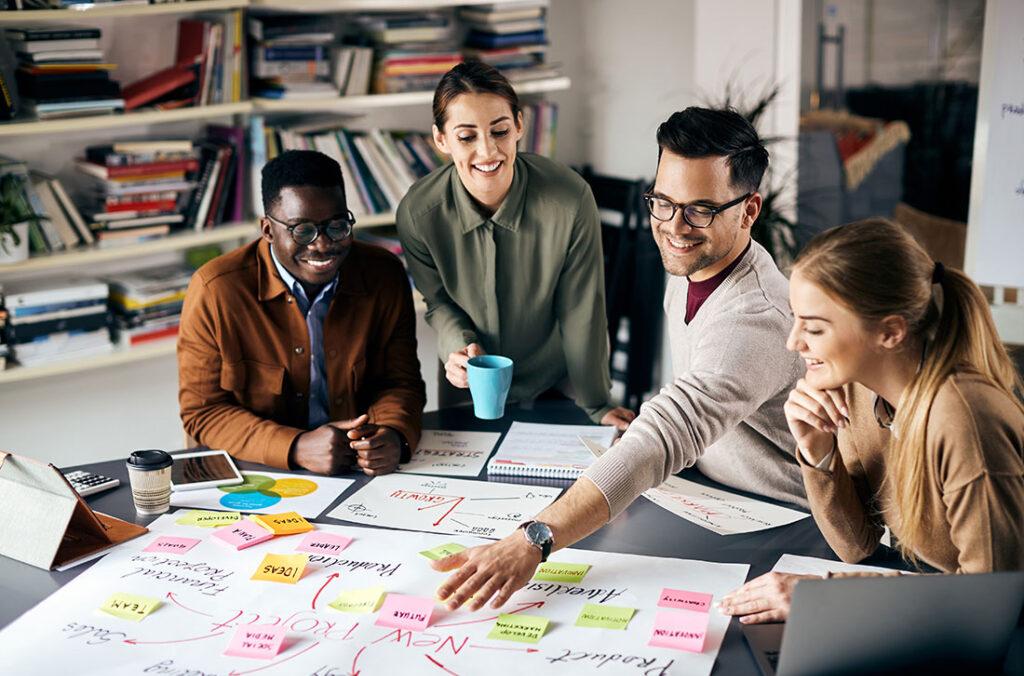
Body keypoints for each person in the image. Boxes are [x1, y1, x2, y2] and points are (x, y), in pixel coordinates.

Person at [430, 107, 807, 612]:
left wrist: (533, 539)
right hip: (710, 500)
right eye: (663, 202)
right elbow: (694, 401)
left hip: (782, 529)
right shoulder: (697, 264)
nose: (674, 227)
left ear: (749, 210)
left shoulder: (755, 317)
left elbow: (670, 432)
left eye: (700, 209)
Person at [717, 218, 1024, 624]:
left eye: (815, 328)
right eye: (796, 319)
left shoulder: (965, 420)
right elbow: (855, 545)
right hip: (948, 606)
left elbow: (992, 602)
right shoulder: (858, 388)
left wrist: (829, 597)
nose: (793, 343)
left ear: (891, 332)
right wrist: (818, 452)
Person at [396, 61, 634, 428]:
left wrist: (598, 404)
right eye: (467, 137)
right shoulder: (418, 213)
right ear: (441, 140)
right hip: (473, 379)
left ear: (519, 126)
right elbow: (438, 302)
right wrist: (458, 348)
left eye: (500, 131)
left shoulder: (570, 198)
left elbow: (581, 308)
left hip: (562, 374)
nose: (488, 151)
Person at [178, 150, 426, 476]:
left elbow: (401, 382)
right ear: (268, 230)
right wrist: (295, 446)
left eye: (337, 226)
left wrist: (392, 433)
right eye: (302, 231)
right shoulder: (215, 289)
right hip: (258, 470)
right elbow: (203, 411)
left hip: (357, 469)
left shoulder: (384, 274)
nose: (323, 245)